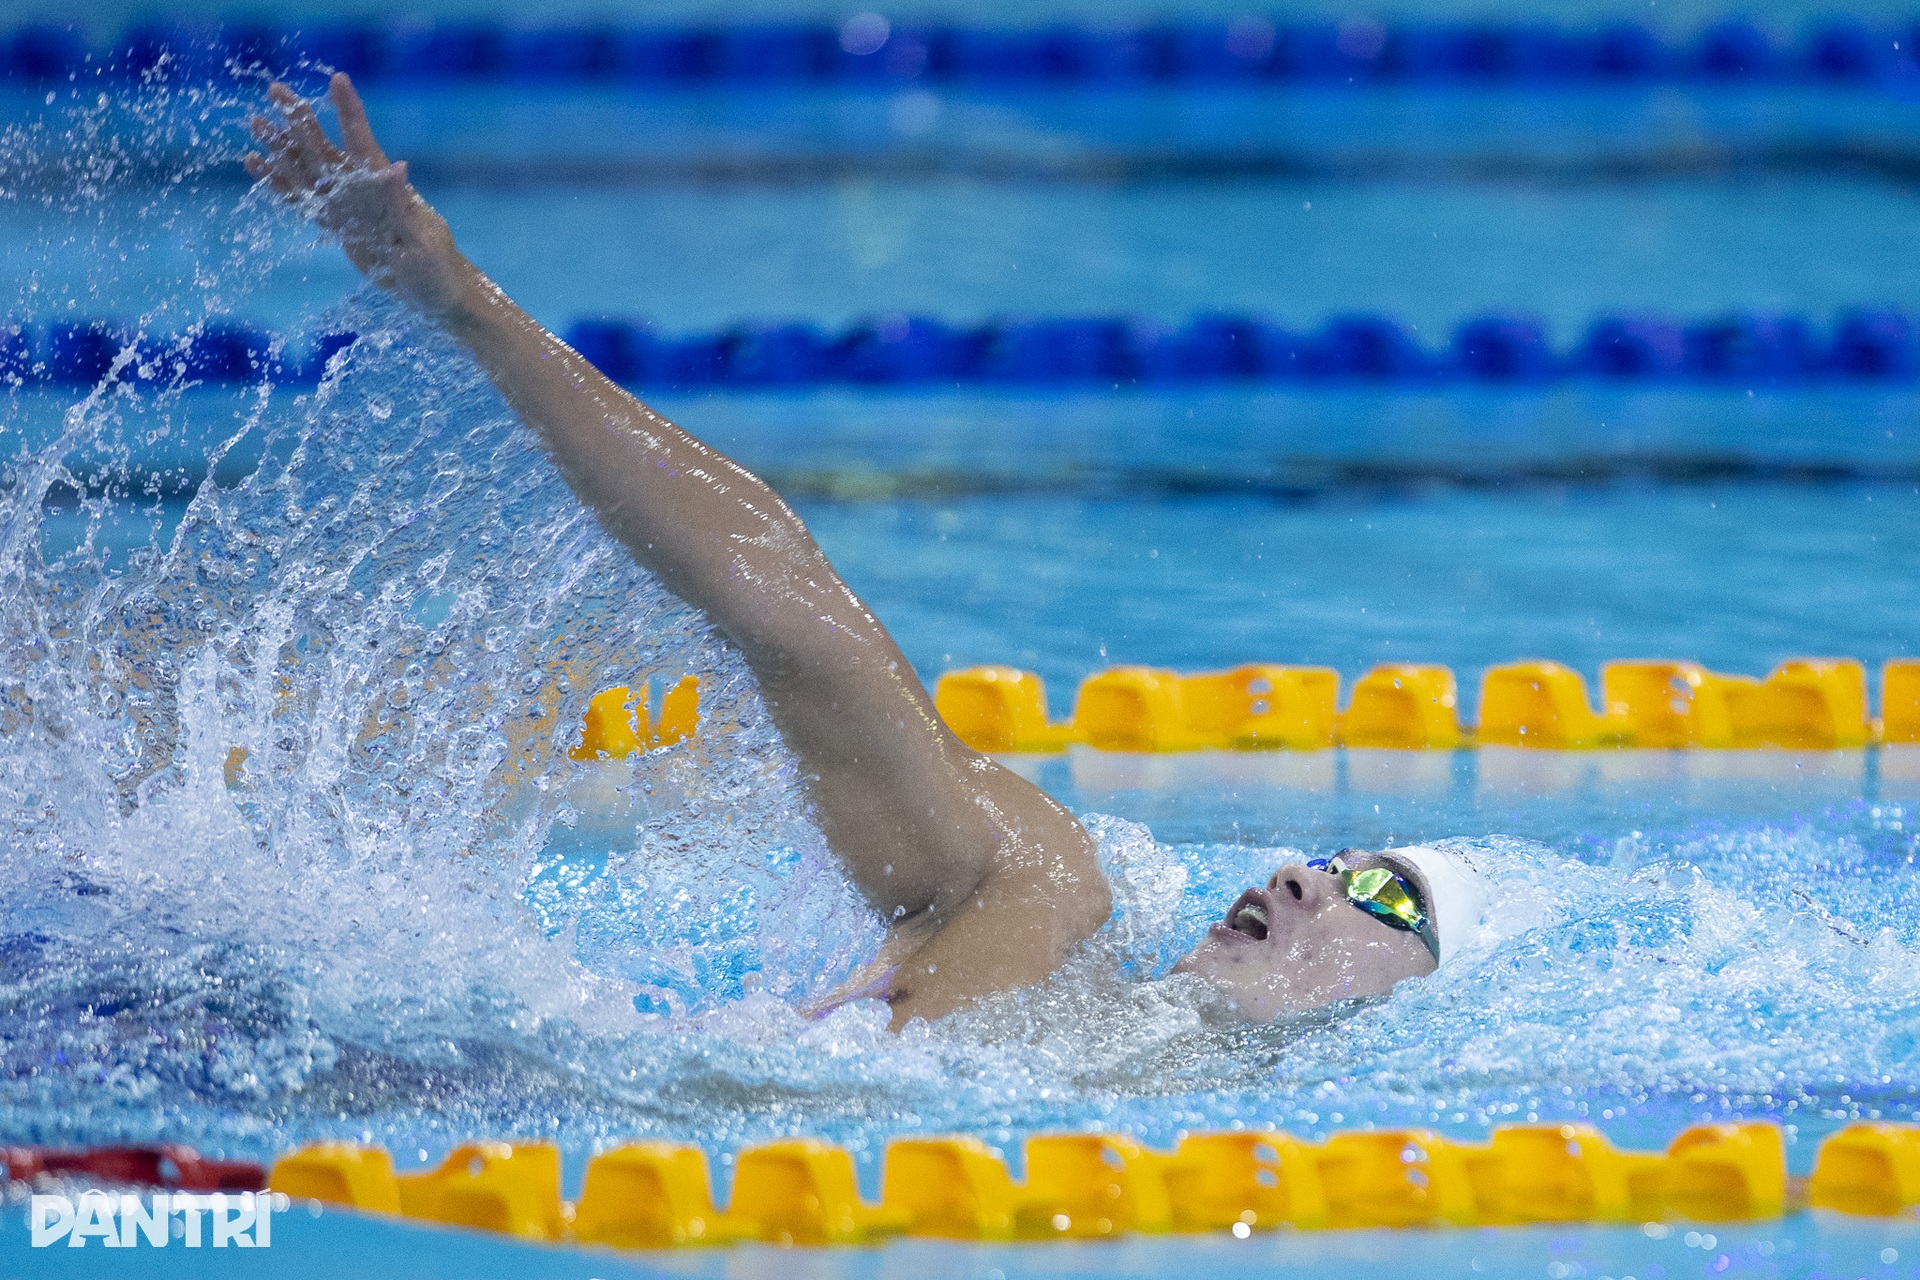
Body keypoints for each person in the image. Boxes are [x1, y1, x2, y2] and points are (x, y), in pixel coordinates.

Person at [246, 73, 1488, 1030]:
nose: (1297, 876)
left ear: (1412, 993)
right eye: (1329, 859)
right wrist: (462, 297)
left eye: (1380, 893)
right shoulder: (1048, 897)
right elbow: (788, 608)